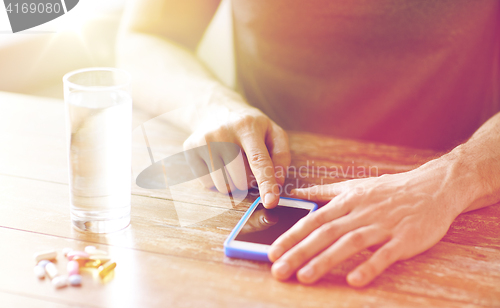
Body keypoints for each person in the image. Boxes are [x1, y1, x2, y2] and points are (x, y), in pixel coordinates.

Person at [118, 0, 500, 287]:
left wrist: (454, 180)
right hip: (266, 183)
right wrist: (211, 105)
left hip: (459, 201)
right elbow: (146, 37)